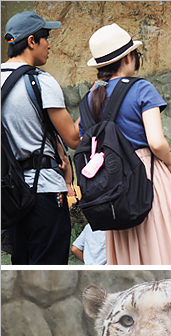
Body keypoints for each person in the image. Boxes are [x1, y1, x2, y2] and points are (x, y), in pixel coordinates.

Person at [80, 23, 171, 265]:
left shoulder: (90, 99)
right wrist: (170, 161)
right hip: (145, 171)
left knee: (127, 245)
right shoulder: (141, 88)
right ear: (128, 58)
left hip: (110, 178)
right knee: (161, 237)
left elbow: (79, 135)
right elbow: (156, 142)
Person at [1, 11, 80, 264]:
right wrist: (95, 105)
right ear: (32, 41)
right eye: (46, 37)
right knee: (51, 268)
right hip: (44, 191)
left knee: (22, 268)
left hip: (10, 196)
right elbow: (74, 139)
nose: (50, 44)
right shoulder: (40, 81)